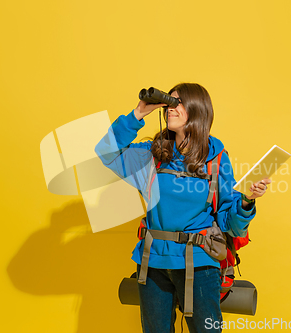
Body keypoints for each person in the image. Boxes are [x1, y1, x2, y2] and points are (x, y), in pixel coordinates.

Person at [95, 83, 270, 333]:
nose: (170, 109)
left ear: (197, 111)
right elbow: (106, 153)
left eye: (179, 103)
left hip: (199, 264)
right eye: (170, 103)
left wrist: (247, 200)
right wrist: (137, 114)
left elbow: (231, 223)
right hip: (153, 261)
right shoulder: (153, 155)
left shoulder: (216, 158)